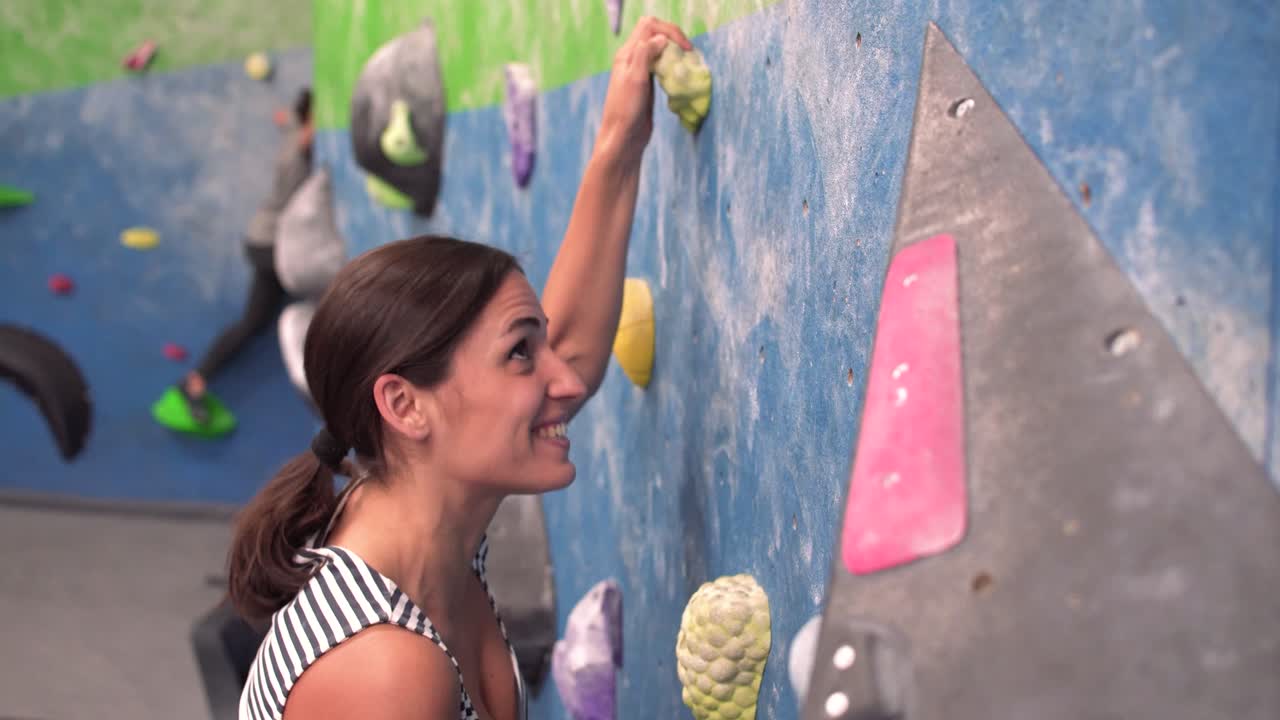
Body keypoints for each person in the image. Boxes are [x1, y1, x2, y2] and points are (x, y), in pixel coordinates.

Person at [226, 18, 693, 720]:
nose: (562, 381)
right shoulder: (386, 670)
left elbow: (569, 350)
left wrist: (618, 147)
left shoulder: (412, 507)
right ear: (406, 405)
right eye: (518, 354)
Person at [179, 88, 316, 424]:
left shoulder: (294, 134)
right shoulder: (299, 146)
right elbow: (306, 134)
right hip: (273, 243)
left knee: (254, 323)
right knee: (323, 298)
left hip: (267, 239)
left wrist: (289, 116)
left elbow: (293, 122)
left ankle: (195, 382)